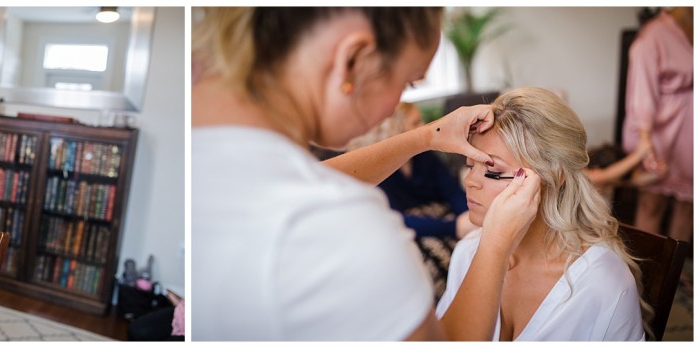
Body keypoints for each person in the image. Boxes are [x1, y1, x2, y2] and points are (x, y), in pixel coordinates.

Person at [192, 7, 541, 341]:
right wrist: (495, 242)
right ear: (353, 60)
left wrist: (425, 137)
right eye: (408, 82)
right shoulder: (340, 224)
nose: (397, 107)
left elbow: (316, 176)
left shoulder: (205, 147)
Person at [436, 87, 649, 341]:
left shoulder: (603, 284)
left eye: (492, 171)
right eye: (470, 165)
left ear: (554, 177)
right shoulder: (468, 253)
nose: (470, 181)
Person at [350, 102, 475, 240]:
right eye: (415, 123)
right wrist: (454, 227)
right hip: (415, 232)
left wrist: (469, 217)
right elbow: (393, 219)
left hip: (448, 220)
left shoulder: (426, 156)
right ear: (396, 131)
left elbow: (453, 191)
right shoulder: (378, 171)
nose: (424, 127)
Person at [621, 7, 692, 242]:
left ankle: (676, 272)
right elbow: (642, 92)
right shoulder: (652, 37)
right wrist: (645, 139)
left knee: (688, 201)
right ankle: (647, 272)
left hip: (691, 129)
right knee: (652, 201)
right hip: (657, 129)